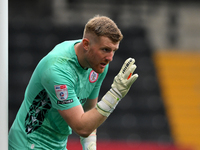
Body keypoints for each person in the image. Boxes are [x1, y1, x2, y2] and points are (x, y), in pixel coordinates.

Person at [8, 15, 138, 150]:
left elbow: (89, 111)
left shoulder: (98, 64)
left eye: (113, 51)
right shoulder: (57, 69)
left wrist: (89, 145)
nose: (110, 58)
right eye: (105, 49)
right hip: (27, 144)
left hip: (58, 145)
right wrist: (115, 94)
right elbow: (81, 127)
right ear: (86, 44)